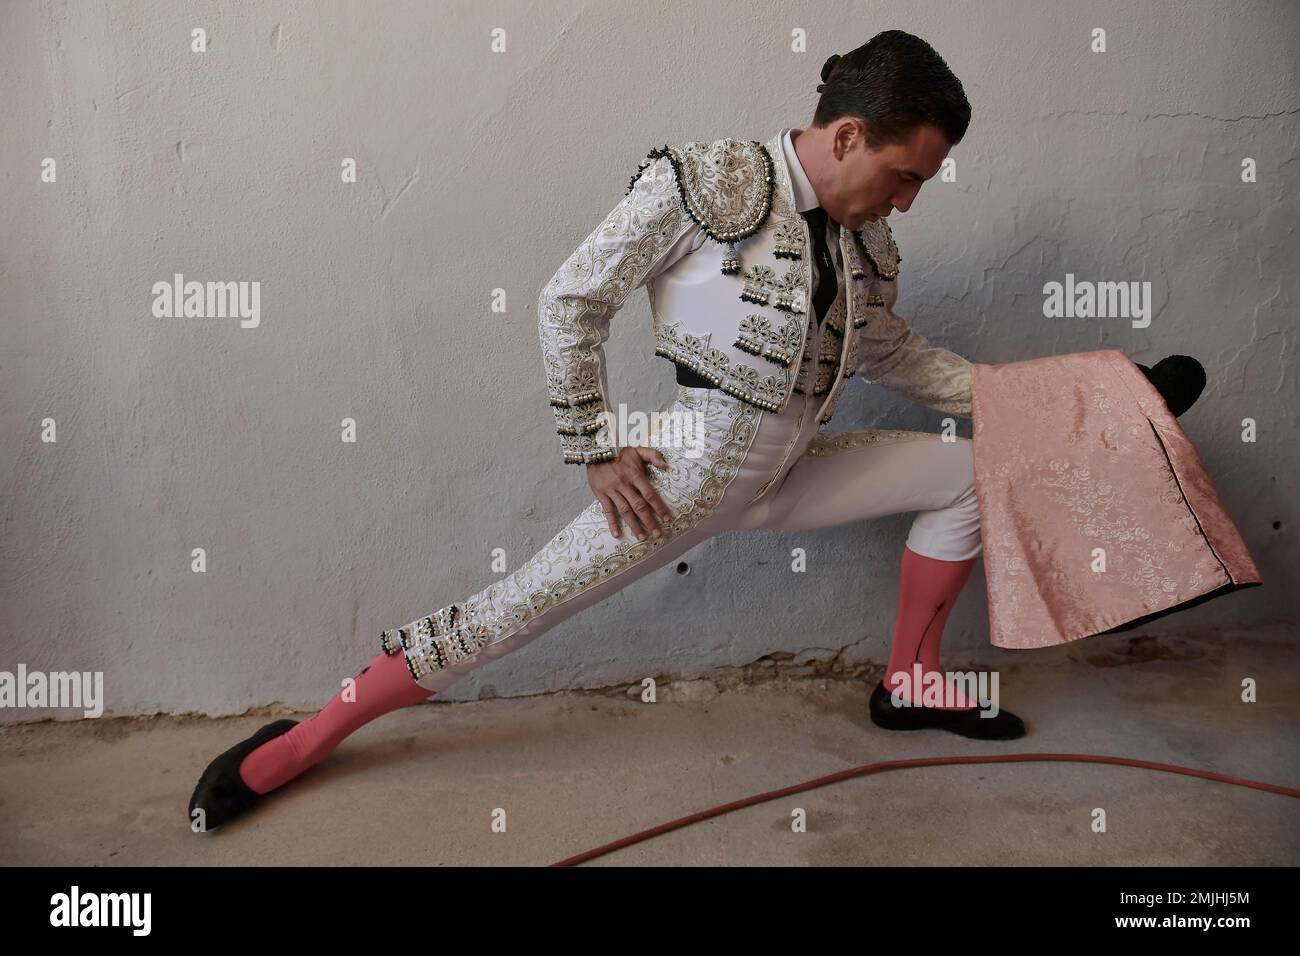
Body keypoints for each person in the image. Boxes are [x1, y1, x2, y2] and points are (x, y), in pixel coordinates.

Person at [189, 31, 1208, 831]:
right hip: (681, 479)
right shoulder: (708, 178)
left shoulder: (865, 243)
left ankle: (909, 677)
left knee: (963, 472)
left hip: (792, 467)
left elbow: (902, 358)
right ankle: (306, 738)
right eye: (903, 173)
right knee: (506, 614)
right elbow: (568, 300)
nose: (906, 199)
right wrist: (592, 444)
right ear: (847, 135)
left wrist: (1086, 399)